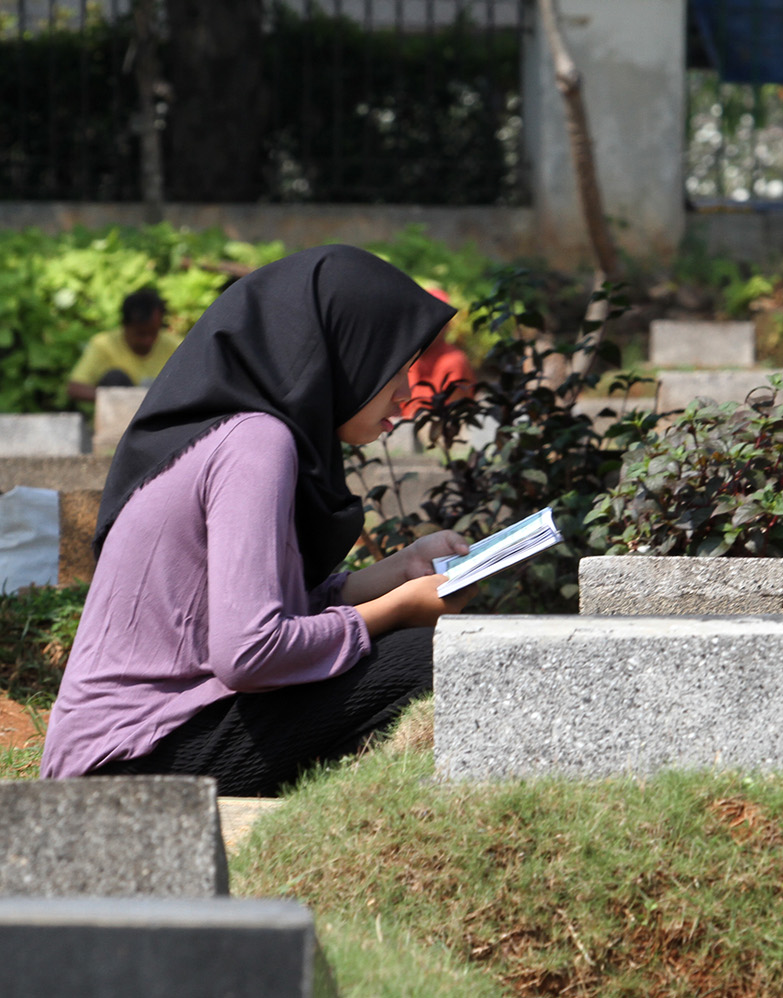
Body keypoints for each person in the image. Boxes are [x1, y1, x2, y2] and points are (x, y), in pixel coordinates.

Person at [41, 245, 475, 796]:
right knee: (421, 658)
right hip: (128, 760)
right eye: (394, 365)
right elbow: (249, 653)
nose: (406, 393)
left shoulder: (242, 435)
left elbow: (273, 617)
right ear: (343, 353)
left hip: (148, 739)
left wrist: (403, 569)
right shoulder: (256, 443)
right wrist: (401, 609)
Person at [66, 287, 182, 402]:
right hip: (120, 415)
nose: (148, 340)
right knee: (115, 378)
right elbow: (75, 388)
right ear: (125, 326)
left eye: (153, 333)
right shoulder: (104, 344)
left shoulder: (176, 346)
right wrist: (121, 398)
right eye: (141, 334)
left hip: (161, 416)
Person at [399, 286, 477, 420]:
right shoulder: (408, 356)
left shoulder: (453, 361)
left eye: (438, 323)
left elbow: (453, 414)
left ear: (447, 326)